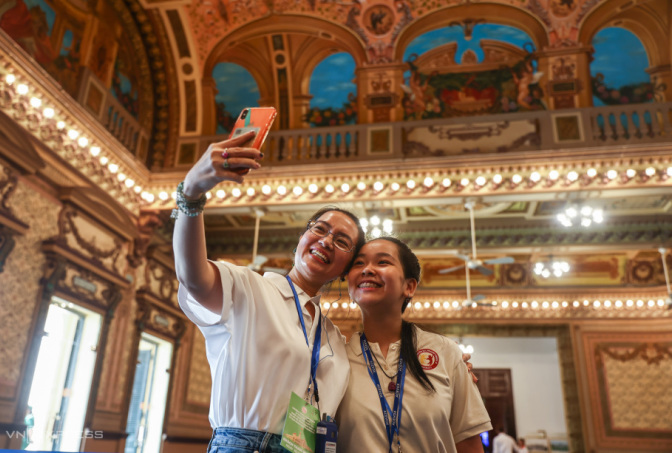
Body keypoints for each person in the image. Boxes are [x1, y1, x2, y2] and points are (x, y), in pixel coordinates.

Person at [173, 131, 366, 452]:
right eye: (319, 228)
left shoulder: (331, 335)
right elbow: (193, 277)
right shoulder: (250, 287)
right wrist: (191, 195)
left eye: (342, 241)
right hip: (244, 444)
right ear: (302, 238)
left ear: (346, 269)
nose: (327, 241)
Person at [336, 237, 492, 452]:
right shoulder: (335, 358)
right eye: (359, 263)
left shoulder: (445, 352)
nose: (367, 270)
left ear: (409, 286)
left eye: (382, 262)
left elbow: (468, 443)